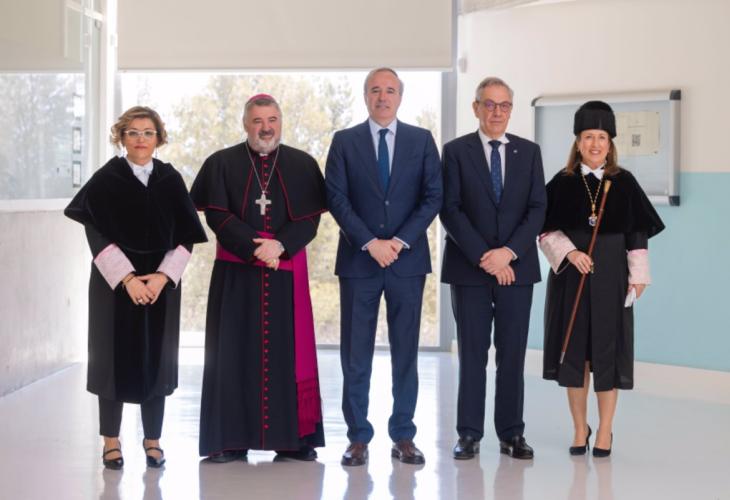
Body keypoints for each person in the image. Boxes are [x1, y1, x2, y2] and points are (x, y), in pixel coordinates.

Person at [64, 106, 207, 469]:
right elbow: (95, 233)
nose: (141, 139)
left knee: (157, 358)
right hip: (114, 284)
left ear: (159, 138)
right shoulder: (106, 179)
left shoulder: (170, 180)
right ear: (121, 137)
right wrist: (127, 279)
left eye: (148, 132)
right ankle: (111, 441)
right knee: (110, 358)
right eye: (133, 132)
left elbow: (186, 236)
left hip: (160, 284)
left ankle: (153, 439)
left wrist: (161, 277)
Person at [190, 94, 327, 462]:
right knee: (231, 355)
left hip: (285, 276)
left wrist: (279, 245)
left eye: (272, 120)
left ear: (281, 122)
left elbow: (310, 219)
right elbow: (216, 215)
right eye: (257, 121)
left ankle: (292, 440)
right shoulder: (221, 163)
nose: (266, 128)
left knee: (288, 354)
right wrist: (256, 248)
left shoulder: (302, 164)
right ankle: (229, 440)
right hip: (237, 275)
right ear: (245, 124)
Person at [325, 67, 442, 466]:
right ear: (365, 96)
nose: (382, 97)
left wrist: (399, 241)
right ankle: (358, 437)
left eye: (390, 90)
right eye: (375, 90)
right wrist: (370, 243)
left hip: (407, 263)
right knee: (355, 355)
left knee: (406, 353)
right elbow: (336, 198)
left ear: (400, 97)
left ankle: (404, 435)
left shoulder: (422, 140)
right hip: (359, 261)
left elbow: (433, 196)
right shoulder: (344, 142)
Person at [539, 101, 664, 457]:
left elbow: (637, 235)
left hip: (612, 279)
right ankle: (580, 427)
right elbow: (545, 230)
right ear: (578, 142)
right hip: (572, 280)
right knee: (576, 357)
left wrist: (638, 277)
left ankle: (605, 430)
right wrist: (569, 253)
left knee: (607, 354)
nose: (595, 144)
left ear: (610, 144)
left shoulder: (624, 182)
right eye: (588, 137)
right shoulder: (562, 182)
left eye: (602, 137)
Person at [440, 77, 546, 461]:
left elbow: (538, 208)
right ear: (476, 108)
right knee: (472, 353)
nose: (496, 112)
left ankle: (511, 433)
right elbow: (450, 208)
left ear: (510, 110)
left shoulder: (529, 152)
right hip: (469, 269)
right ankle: (468, 434)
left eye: (504, 105)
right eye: (489, 104)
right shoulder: (455, 152)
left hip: (517, 269)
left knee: (512, 353)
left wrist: (509, 254)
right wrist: (487, 256)